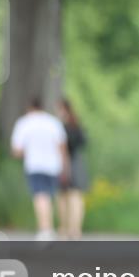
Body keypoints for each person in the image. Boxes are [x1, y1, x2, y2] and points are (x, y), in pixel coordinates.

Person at [11, 97, 69, 241]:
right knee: (49, 196)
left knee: (40, 196)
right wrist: (65, 166)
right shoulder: (53, 122)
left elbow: (16, 151)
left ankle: (45, 229)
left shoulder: (24, 123)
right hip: (53, 165)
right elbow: (62, 147)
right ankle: (52, 227)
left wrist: (29, 151)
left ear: (29, 108)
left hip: (35, 164)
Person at [57, 98, 88, 240]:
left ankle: (66, 228)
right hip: (76, 160)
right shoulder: (76, 124)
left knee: (66, 197)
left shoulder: (62, 127)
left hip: (66, 162)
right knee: (74, 197)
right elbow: (84, 142)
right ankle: (74, 230)